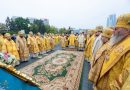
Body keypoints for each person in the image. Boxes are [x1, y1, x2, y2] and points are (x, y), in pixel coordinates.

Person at [95, 13, 130, 90]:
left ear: (127, 29)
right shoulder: (118, 41)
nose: (113, 31)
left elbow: (126, 78)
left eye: (116, 29)